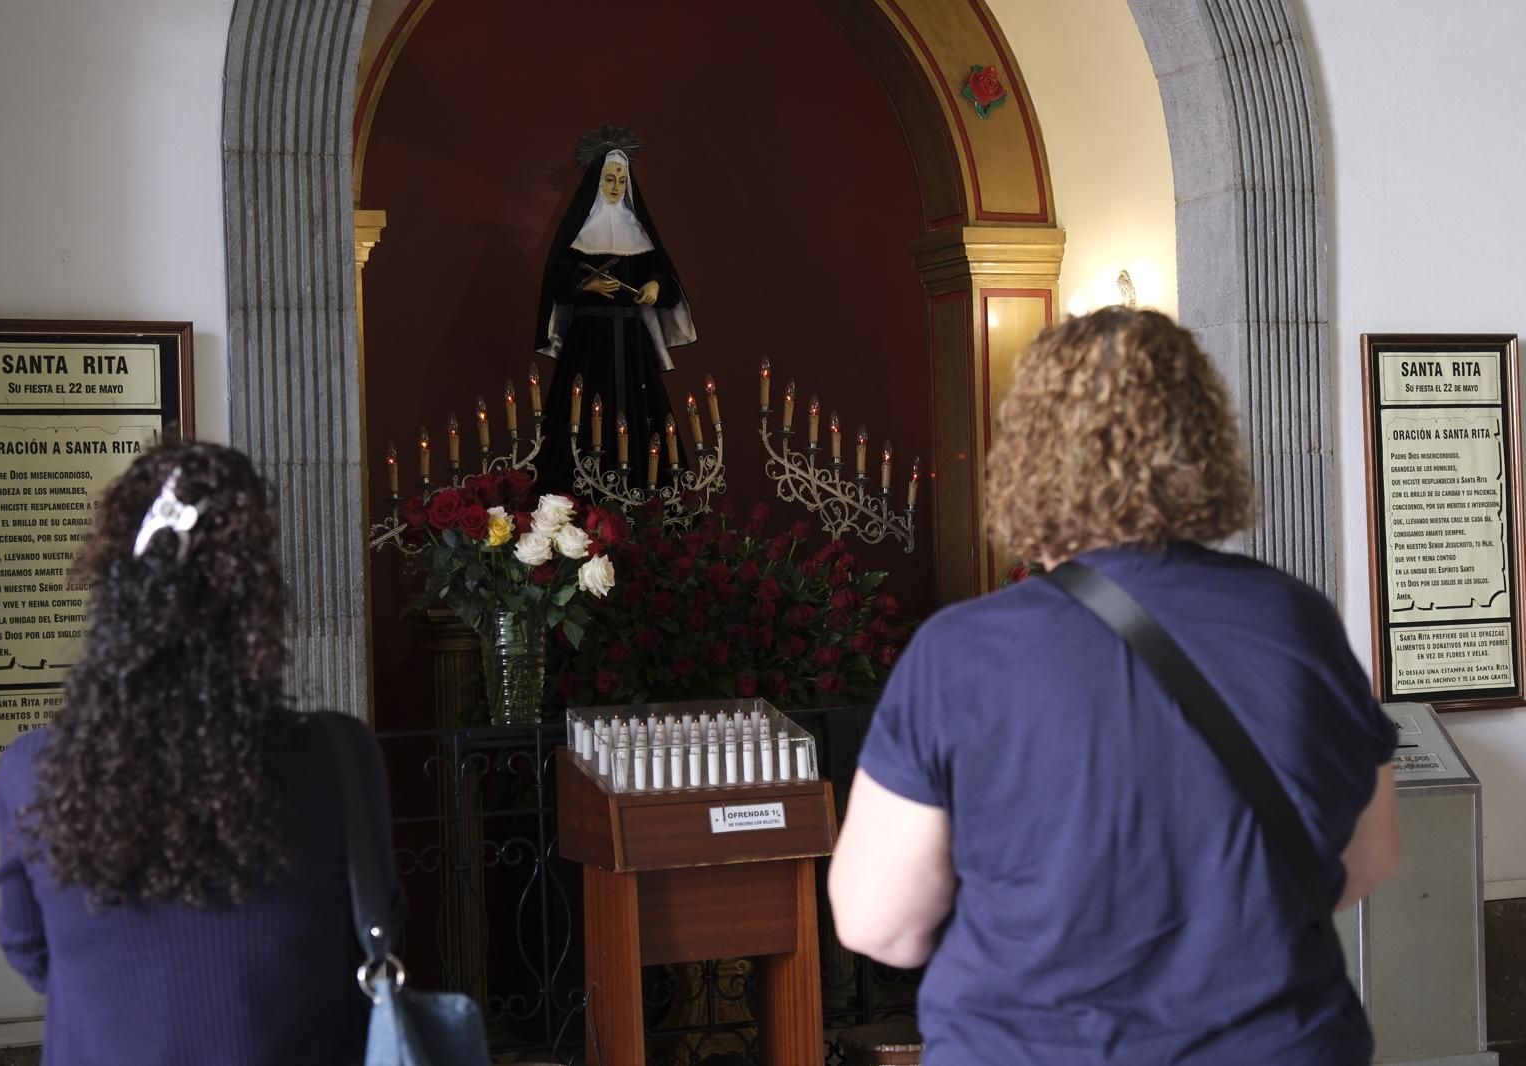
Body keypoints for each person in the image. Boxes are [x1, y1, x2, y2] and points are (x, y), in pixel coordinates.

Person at [828, 308, 1401, 1065]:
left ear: (1026, 454)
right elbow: (1369, 858)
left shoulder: (960, 654)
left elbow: (879, 924)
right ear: (1204, 443)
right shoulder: (1295, 621)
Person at [0, 440, 402, 1066]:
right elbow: (376, 928)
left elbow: (30, 950)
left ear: (118, 594)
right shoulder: (338, 758)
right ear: (256, 601)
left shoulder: (31, 771)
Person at [533, 125, 697, 490]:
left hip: (631, 341)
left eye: (621, 179)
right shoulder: (579, 233)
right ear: (596, 181)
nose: (615, 186)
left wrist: (654, 284)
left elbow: (664, 276)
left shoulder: (637, 230)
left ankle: (642, 495)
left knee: (640, 413)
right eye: (609, 178)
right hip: (587, 341)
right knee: (581, 412)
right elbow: (557, 281)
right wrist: (585, 284)